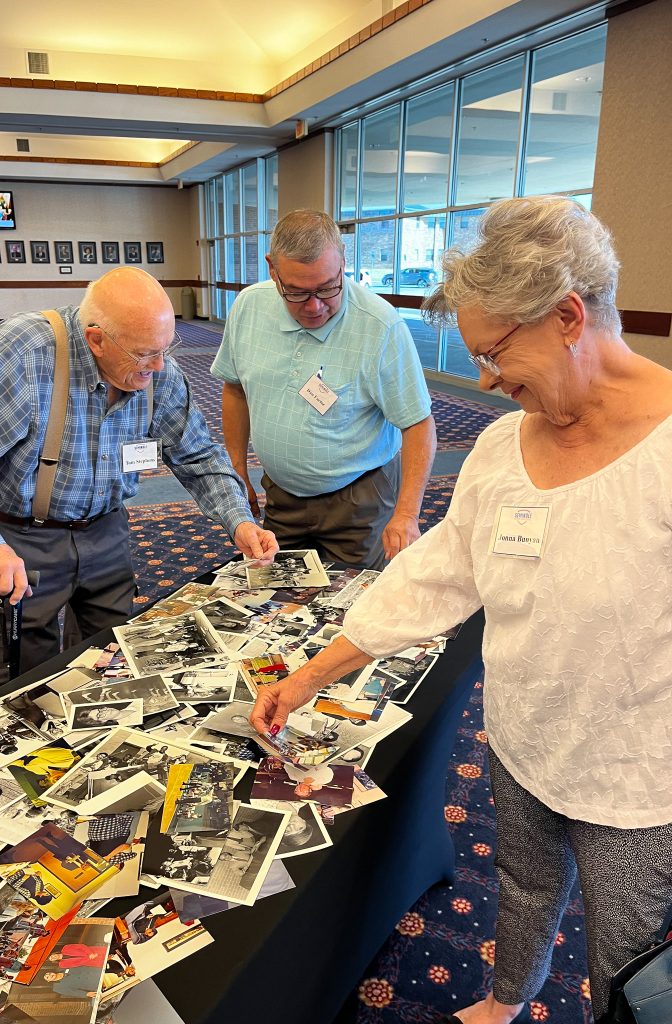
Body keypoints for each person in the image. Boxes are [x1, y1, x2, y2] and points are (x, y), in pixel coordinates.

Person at [251, 195, 672, 1024]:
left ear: (567, 317)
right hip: (521, 736)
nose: (482, 380)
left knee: (622, 962)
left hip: (636, 775)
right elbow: (435, 577)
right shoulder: (500, 446)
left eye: (491, 353)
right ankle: (506, 999)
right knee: (521, 886)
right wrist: (310, 677)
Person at [0, 267, 277, 684]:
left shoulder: (158, 368)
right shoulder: (22, 354)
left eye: (166, 349)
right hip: (24, 540)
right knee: (28, 674)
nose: (158, 366)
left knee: (112, 658)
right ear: (96, 339)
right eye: (144, 355)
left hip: (107, 531)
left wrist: (238, 519)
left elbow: (198, 454)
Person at [211, 209, 436, 569]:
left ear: (343, 263)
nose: (315, 306)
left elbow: (418, 424)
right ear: (273, 269)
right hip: (282, 496)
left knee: (355, 607)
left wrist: (407, 514)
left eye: (328, 287)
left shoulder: (380, 326)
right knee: (279, 598)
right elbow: (235, 388)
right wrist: (238, 470)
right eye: (297, 292)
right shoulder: (249, 307)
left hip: (358, 500)